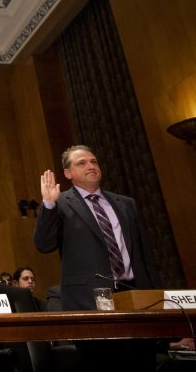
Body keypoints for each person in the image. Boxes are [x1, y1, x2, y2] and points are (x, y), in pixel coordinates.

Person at [35, 145, 161, 370]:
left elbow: (145, 254)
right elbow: (44, 245)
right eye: (81, 163)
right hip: (90, 300)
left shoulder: (126, 203)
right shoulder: (61, 204)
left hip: (135, 297)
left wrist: (156, 298)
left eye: (93, 161)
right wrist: (49, 205)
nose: (90, 166)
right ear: (67, 173)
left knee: (143, 361)